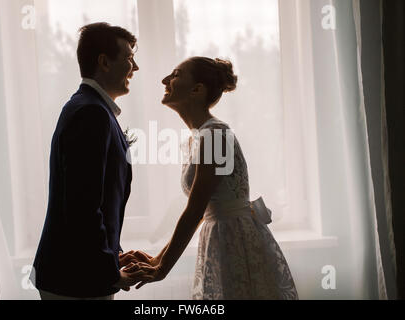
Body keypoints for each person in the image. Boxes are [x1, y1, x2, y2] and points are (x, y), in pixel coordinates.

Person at [121, 57, 299, 299]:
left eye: (175, 74)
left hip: (234, 240)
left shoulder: (215, 134)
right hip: (221, 237)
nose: (165, 80)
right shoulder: (197, 138)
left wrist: (162, 267)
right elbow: (198, 211)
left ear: (197, 89)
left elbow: (195, 210)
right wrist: (156, 259)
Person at [30, 22, 146, 300]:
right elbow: (83, 206)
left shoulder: (89, 107)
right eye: (129, 58)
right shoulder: (91, 113)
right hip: (75, 278)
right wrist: (108, 269)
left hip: (78, 272)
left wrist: (113, 253)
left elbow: (95, 201)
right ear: (104, 62)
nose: (136, 67)